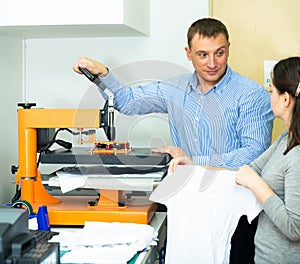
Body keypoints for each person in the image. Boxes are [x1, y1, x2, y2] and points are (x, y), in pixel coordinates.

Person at [73, 18, 274, 263]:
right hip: (190, 206)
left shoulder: (251, 95)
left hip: (237, 212)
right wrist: (102, 75)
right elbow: (127, 101)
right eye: (202, 54)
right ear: (188, 54)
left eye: (219, 53)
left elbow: (254, 154)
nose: (212, 63)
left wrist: (193, 161)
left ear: (229, 48)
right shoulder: (174, 89)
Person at [170, 56, 300, 263]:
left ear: (285, 99)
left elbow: (294, 228)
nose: (270, 97)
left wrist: (257, 184)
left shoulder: (297, 155)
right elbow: (247, 170)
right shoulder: (287, 138)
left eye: (272, 92)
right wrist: (195, 166)